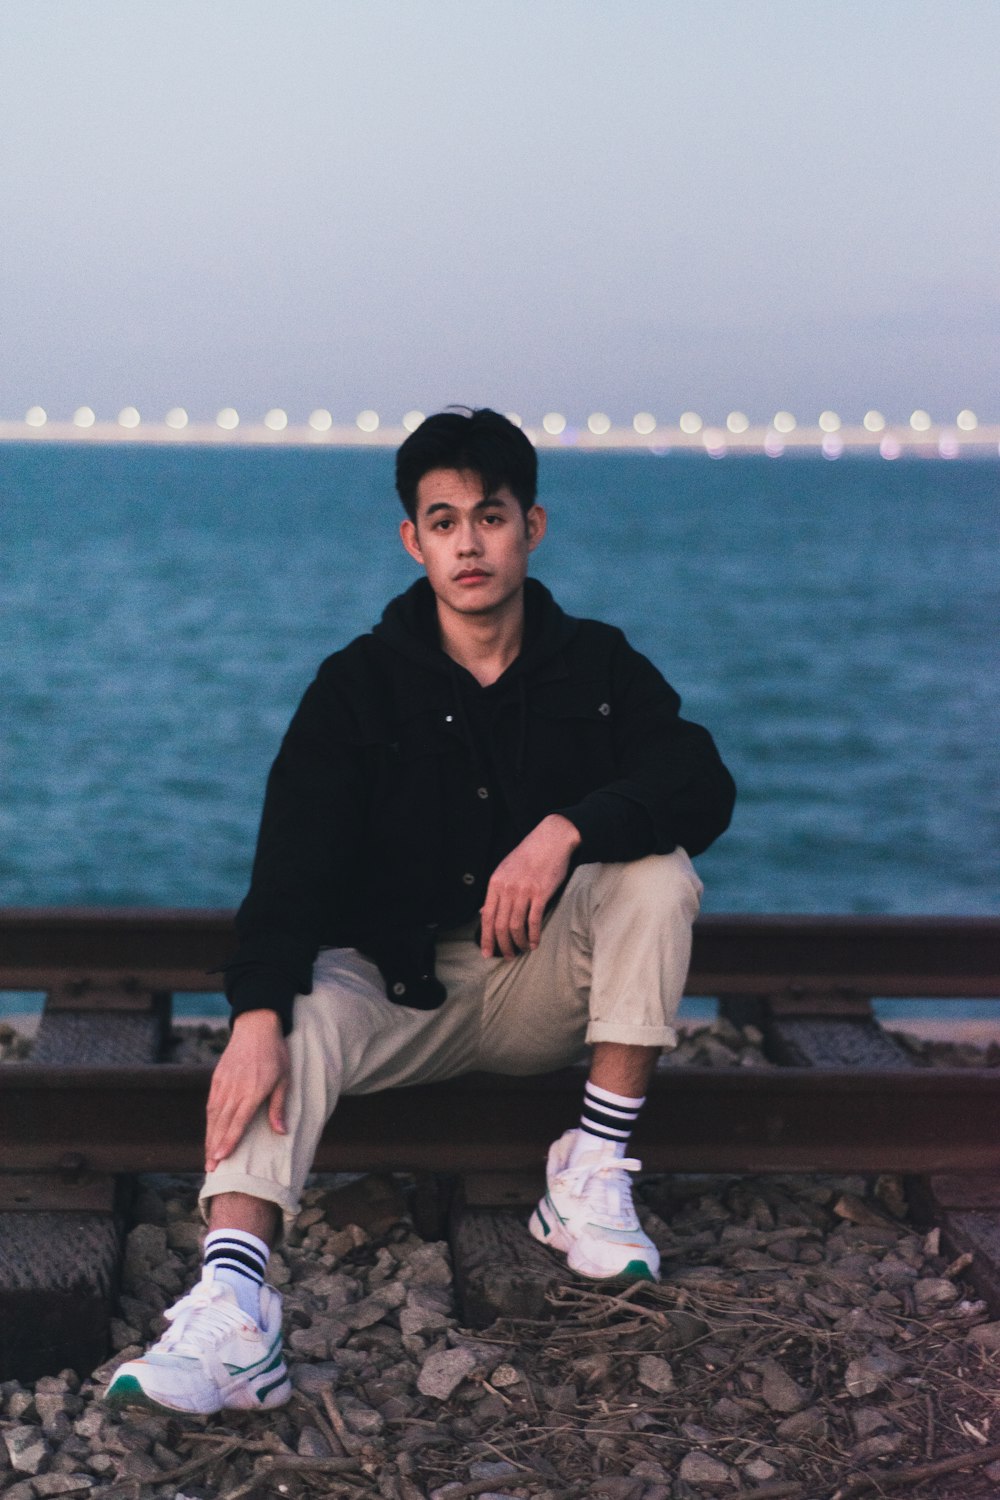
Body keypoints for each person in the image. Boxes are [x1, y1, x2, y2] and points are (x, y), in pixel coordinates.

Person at [107, 407, 735, 1415]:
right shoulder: (356, 688)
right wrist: (255, 1016)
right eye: (443, 522)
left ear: (532, 526)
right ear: (414, 540)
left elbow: (700, 782)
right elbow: (289, 871)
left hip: (539, 990)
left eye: (489, 517)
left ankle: (589, 1173)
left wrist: (566, 828)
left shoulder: (598, 665)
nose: (469, 543)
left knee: (655, 871)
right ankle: (233, 1314)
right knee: (287, 1018)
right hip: (395, 991)